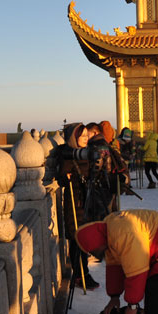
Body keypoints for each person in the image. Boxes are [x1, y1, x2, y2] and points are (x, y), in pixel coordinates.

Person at [59, 122, 99, 289]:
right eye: (82, 136)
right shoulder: (69, 156)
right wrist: (65, 177)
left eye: (86, 135)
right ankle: (80, 275)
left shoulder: (84, 155)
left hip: (86, 202)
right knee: (77, 239)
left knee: (84, 238)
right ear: (74, 138)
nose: (86, 138)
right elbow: (61, 177)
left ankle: (85, 272)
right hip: (75, 205)